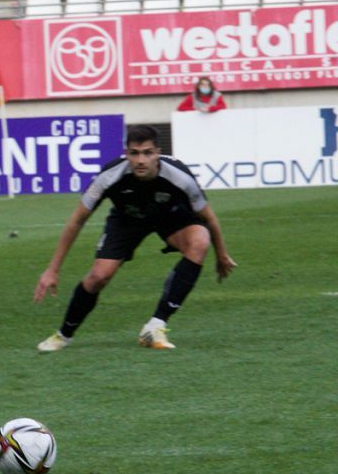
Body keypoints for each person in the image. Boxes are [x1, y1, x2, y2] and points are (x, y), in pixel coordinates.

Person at [34, 125, 237, 352]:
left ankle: (155, 325)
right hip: (127, 219)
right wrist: (53, 268)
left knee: (199, 241)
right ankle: (63, 335)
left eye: (147, 153)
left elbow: (209, 218)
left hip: (170, 217)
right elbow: (76, 221)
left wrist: (221, 254)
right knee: (98, 277)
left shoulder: (180, 177)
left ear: (158, 153)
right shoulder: (109, 176)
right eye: (134, 153)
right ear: (126, 153)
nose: (141, 160)